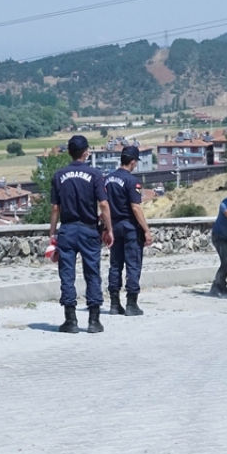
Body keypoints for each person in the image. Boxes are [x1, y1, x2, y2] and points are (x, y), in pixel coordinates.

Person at [49, 135, 113, 334]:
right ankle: (94, 321)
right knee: (92, 274)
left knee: (67, 275)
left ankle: (70, 320)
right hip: (88, 229)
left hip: (67, 230)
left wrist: (52, 234)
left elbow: (54, 208)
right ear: (86, 152)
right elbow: (103, 204)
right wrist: (109, 228)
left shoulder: (59, 175)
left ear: (69, 152)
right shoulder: (95, 174)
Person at [105, 146, 152, 316]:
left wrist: (106, 227)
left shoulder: (108, 179)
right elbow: (136, 207)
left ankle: (114, 304)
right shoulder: (132, 182)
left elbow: (104, 206)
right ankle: (132, 304)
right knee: (133, 264)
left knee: (115, 265)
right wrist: (146, 230)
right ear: (133, 162)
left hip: (114, 226)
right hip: (130, 227)